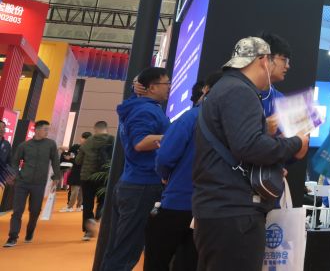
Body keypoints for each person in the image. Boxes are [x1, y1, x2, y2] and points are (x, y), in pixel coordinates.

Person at [193, 37, 308, 271]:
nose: (285, 66)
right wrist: (296, 142)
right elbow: (249, 146)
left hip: (221, 209)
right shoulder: (240, 91)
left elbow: (239, 145)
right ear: (263, 60)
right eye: (280, 60)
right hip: (234, 213)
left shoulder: (225, 88)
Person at [144, 71, 224, 271]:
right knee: (191, 263)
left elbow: (165, 157)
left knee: (157, 261)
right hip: (211, 207)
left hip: (178, 201)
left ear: (206, 90)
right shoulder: (233, 122)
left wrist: (165, 176)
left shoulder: (190, 118)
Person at [100, 67, 172, 271]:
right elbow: (140, 142)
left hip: (133, 184)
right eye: (166, 83)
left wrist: (134, 88)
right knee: (126, 252)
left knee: (119, 248)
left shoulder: (136, 106)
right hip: (142, 186)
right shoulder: (145, 110)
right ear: (152, 87)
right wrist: (174, 136)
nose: (169, 87)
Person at [3, 120, 60, 247]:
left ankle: (30, 231)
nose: (47, 132)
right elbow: (15, 162)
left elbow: (55, 161)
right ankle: (12, 237)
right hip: (22, 183)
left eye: (48, 129)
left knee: (35, 211)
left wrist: (56, 177)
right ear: (37, 130)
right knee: (17, 210)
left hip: (39, 184)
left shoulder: (51, 144)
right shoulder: (24, 145)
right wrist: (16, 175)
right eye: (45, 129)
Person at [77, 120, 115, 239]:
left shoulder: (87, 142)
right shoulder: (113, 140)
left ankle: (88, 231)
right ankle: (98, 218)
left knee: (87, 204)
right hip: (104, 177)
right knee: (103, 201)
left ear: (95, 129)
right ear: (106, 128)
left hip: (87, 177)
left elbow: (78, 160)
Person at [258, 32, 291, 118]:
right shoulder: (243, 94)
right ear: (266, 58)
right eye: (284, 60)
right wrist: (265, 125)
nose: (287, 66)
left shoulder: (281, 99)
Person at [61, 132, 89, 212]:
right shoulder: (75, 147)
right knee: (75, 189)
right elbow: (69, 154)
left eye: (84, 138)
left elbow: (77, 160)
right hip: (76, 170)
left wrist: (71, 158)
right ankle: (75, 206)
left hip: (83, 171)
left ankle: (71, 206)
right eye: (82, 137)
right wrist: (66, 154)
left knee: (77, 190)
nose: (81, 139)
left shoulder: (89, 149)